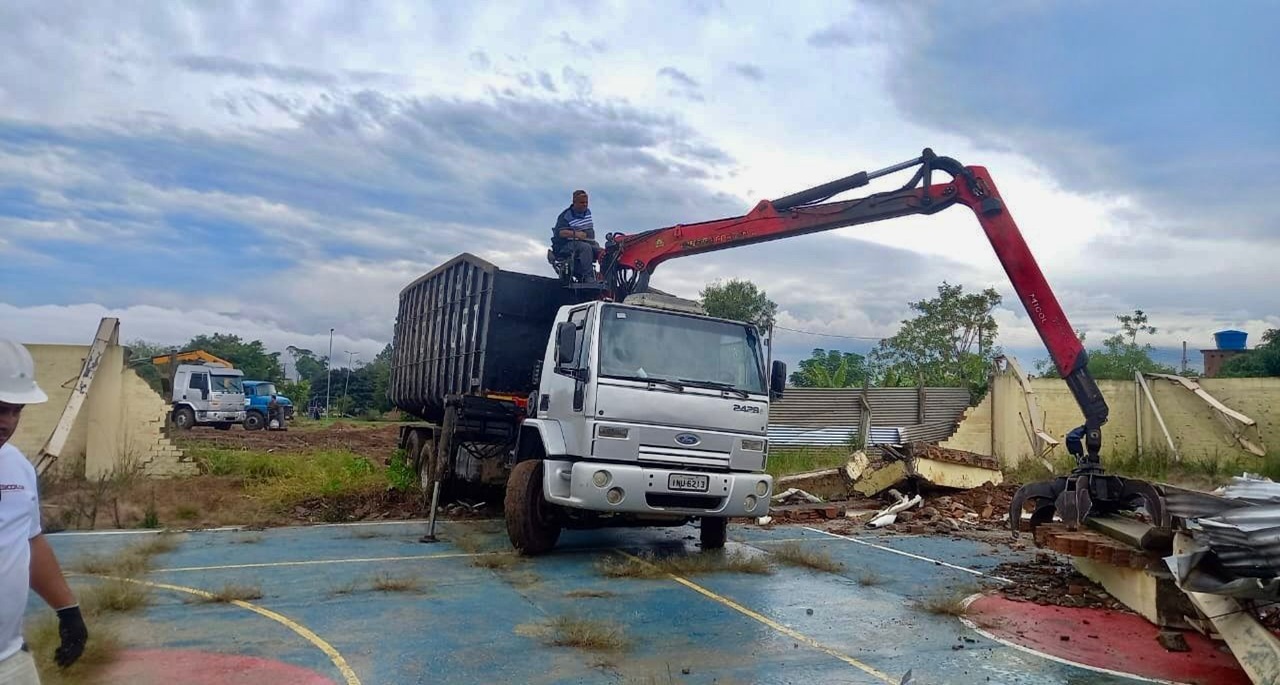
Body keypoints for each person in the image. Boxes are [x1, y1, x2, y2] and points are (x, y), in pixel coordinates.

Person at [0, 339, 88, 683]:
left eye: (16, 410)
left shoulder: (17, 467)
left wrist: (68, 611)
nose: (7, 422)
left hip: (9, 659)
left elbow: (30, 540)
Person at [552, 189, 600, 282]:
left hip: (587, 241)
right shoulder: (566, 215)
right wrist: (576, 234)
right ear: (574, 202)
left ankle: (603, 276)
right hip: (566, 244)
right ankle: (588, 277)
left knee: (602, 251)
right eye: (582, 202)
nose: (585, 205)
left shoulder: (587, 212)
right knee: (585, 248)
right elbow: (560, 233)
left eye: (586, 202)